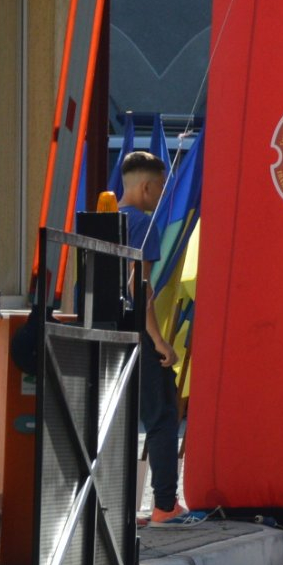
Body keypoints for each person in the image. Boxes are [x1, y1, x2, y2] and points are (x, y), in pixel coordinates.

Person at [121, 151, 187, 525]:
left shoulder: (102, 218)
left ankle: (115, 508)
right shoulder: (144, 224)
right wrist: (159, 340)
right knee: (162, 415)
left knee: (113, 423)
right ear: (146, 186)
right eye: (161, 187)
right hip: (137, 334)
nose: (162, 194)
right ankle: (164, 506)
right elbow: (139, 286)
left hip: (102, 333)